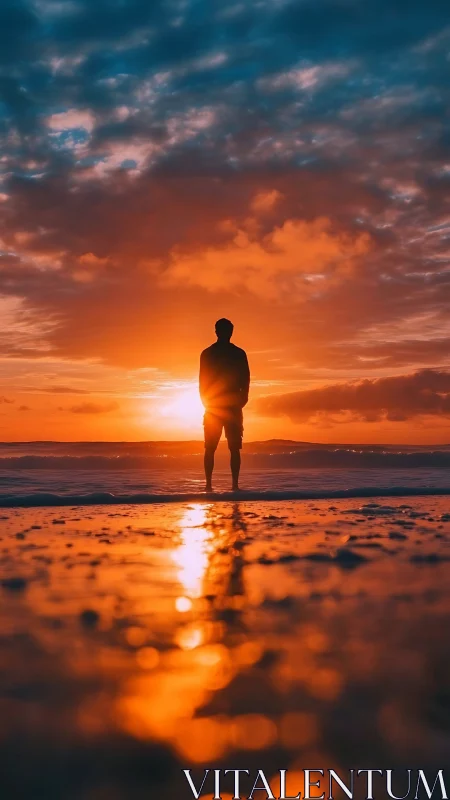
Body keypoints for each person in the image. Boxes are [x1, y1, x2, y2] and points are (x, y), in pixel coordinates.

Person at [199, 319, 250, 492]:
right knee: (211, 447)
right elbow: (202, 380)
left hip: (231, 406)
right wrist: (206, 401)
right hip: (214, 407)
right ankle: (209, 485)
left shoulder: (238, 353)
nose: (226, 333)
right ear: (217, 332)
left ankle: (234, 485)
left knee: (233, 447)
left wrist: (243, 398)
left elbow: (246, 378)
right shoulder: (207, 354)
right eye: (223, 330)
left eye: (228, 330)